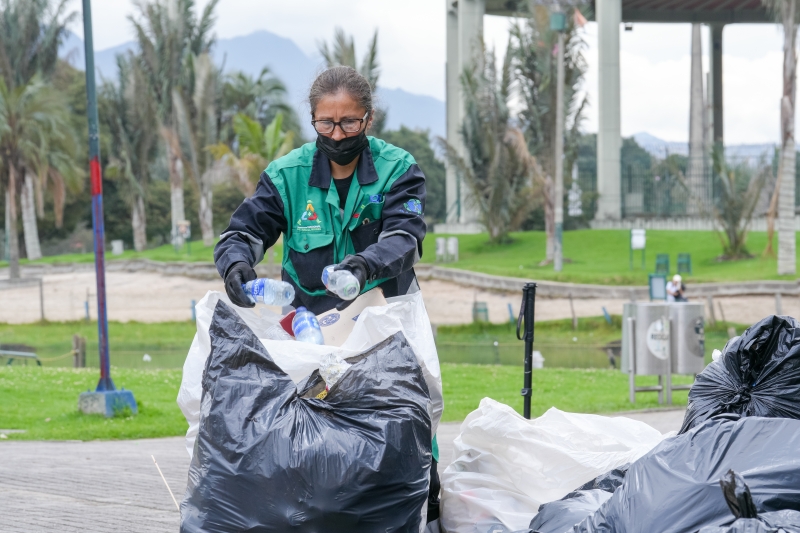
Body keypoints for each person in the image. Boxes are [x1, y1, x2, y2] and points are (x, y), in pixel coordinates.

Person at [213, 66, 440, 520]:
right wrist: (236, 265)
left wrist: (363, 263)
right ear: (312, 119)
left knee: (405, 435)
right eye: (326, 123)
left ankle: (422, 516)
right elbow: (243, 233)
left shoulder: (399, 168)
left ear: (368, 120)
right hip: (309, 332)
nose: (337, 134)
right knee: (307, 442)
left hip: (383, 332)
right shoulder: (286, 175)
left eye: (349, 123)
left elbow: (405, 238)